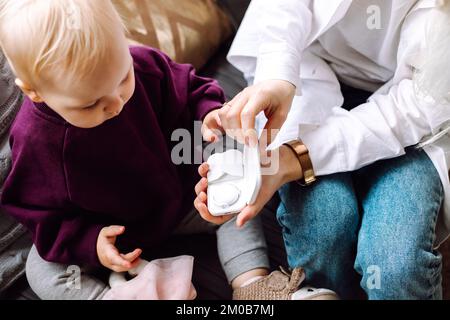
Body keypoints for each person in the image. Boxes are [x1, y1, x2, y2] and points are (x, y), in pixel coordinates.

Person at [0, 0, 280, 300]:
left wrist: (210, 116)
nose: (116, 103)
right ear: (34, 91)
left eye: (122, 80)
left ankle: (251, 284)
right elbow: (40, 214)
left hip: (183, 197)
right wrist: (90, 242)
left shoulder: (143, 64)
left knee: (237, 196)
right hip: (111, 234)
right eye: (90, 103)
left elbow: (195, 90)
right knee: (42, 270)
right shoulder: (34, 140)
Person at [195, 0, 450, 299]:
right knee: (324, 231)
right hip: (308, 67)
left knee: (396, 268)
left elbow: (412, 111)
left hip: (414, 118)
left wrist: (294, 159)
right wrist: (278, 78)